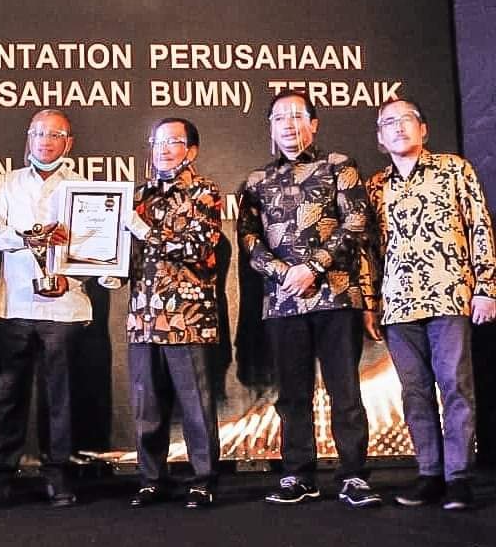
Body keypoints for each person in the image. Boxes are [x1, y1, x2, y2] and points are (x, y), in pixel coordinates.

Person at [237, 91, 382, 508]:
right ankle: (298, 474)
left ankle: (353, 475)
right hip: (283, 302)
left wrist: (313, 267)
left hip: (336, 296)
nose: (288, 124)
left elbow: (356, 223)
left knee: (345, 392)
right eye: (279, 117)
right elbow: (249, 239)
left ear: (313, 124)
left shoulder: (339, 166)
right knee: (292, 396)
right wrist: (284, 273)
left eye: (297, 116)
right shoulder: (256, 182)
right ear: (270, 126)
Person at [365, 98, 496, 510]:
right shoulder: (375, 186)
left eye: (407, 119)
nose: (398, 127)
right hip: (397, 305)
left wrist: (486, 287)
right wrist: (370, 303)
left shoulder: (455, 169)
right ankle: (429, 473)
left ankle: (459, 476)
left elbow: (479, 226)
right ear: (380, 137)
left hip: (449, 297)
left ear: (423, 129)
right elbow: (370, 251)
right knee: (414, 392)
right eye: (389, 122)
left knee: (455, 386)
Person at [0, 109, 89, 509]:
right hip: (17, 304)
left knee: (59, 395)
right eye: (38, 132)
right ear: (29, 137)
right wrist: (26, 238)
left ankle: (58, 476)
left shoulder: (83, 188)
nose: (45, 140)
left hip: (65, 305)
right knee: (9, 393)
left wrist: (74, 276)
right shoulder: (9, 182)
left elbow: (97, 246)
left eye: (54, 134)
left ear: (68, 143)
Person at [123, 117, 221, 509]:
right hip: (143, 316)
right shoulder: (138, 196)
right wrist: (111, 267)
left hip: (186, 316)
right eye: (157, 142)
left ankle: (204, 479)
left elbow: (198, 248)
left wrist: (145, 232)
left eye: (173, 142)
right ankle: (151, 479)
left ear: (191, 151)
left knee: (195, 404)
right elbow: (126, 251)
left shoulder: (204, 192)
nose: (163, 149)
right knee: (146, 404)